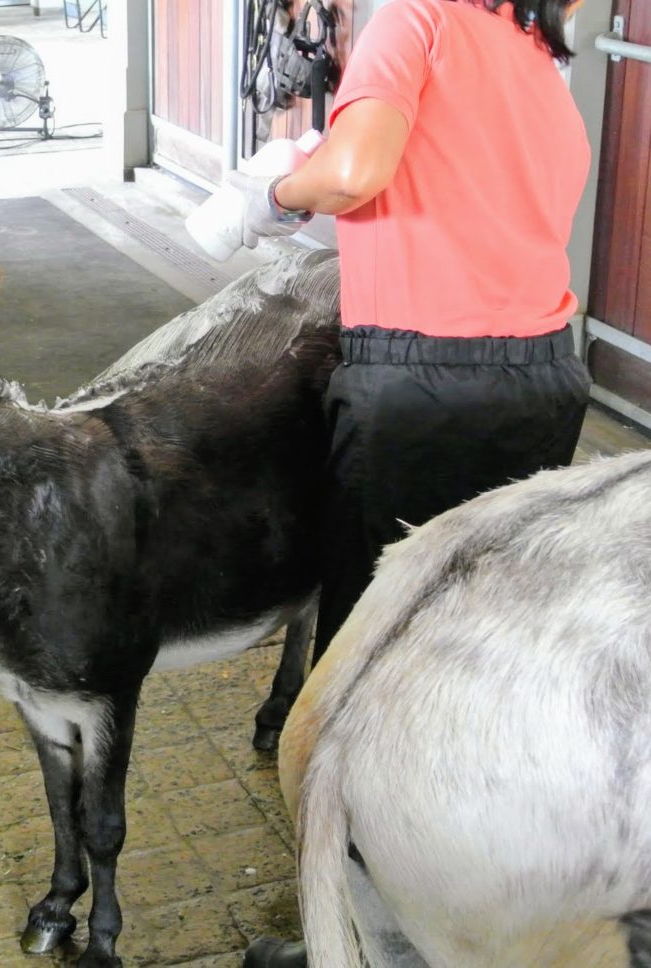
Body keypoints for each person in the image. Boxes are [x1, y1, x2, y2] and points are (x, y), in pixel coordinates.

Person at [228, 0, 592, 965]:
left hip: (427, 385)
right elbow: (465, 203)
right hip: (545, 375)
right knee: (486, 655)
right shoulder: (536, 60)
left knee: (371, 666)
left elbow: (353, 172)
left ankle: (354, 932)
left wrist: (271, 197)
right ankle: (481, 906)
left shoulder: (414, 19)